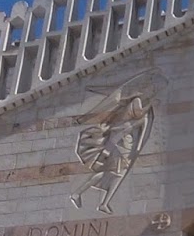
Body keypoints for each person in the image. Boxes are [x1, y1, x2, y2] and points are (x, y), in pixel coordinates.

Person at [70, 71, 163, 214]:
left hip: (127, 143)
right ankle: (79, 193)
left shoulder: (147, 111)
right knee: (111, 172)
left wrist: (137, 149)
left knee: (118, 174)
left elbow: (143, 131)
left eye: (157, 90)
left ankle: (103, 202)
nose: (155, 92)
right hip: (117, 140)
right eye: (154, 88)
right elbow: (115, 105)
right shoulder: (134, 102)